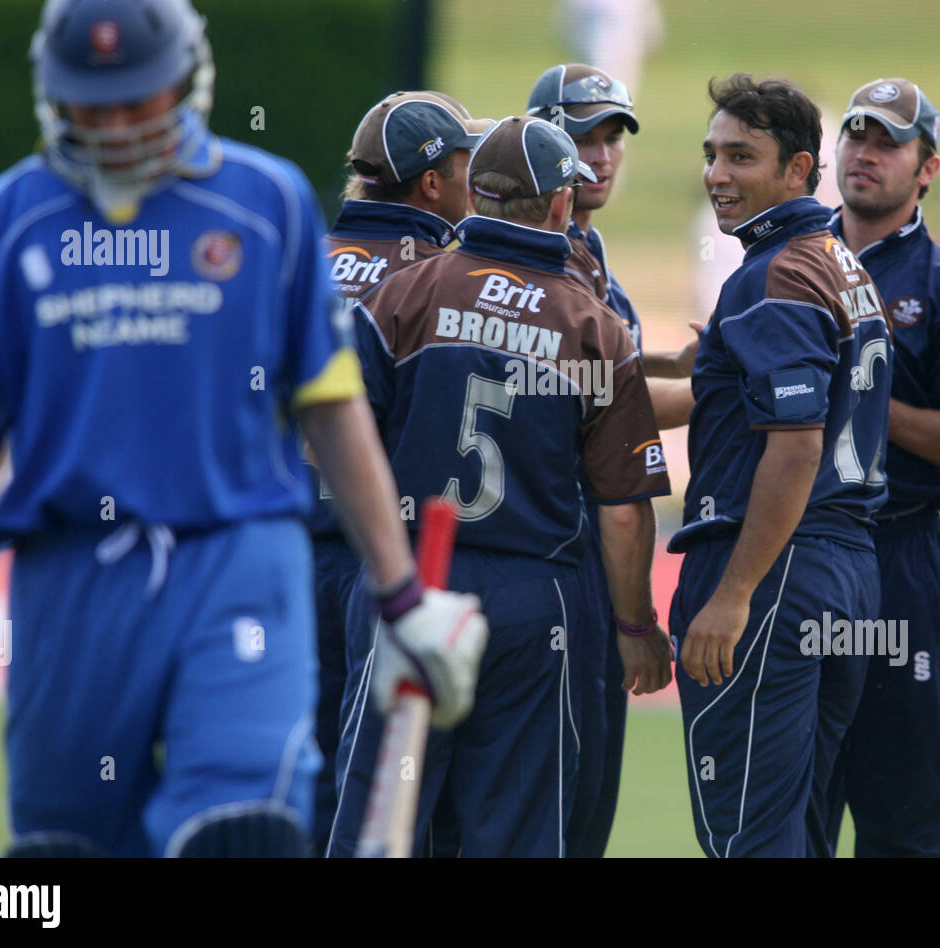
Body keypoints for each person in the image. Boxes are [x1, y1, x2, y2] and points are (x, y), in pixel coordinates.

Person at [0, 0, 486, 858]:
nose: (117, 124)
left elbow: (331, 407)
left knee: (243, 836)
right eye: (93, 103)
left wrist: (400, 595)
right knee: (56, 864)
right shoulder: (5, 220)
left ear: (187, 77)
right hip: (68, 580)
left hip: (237, 562)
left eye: (139, 98)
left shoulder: (268, 206)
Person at [327, 115, 674, 858]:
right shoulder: (595, 326)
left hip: (412, 580)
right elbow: (621, 513)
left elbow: (338, 440)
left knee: (380, 819)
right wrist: (636, 629)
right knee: (513, 830)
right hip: (531, 603)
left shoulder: (401, 295)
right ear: (559, 206)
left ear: (475, 195)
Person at [669, 74, 892, 858]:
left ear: (799, 169)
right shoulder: (840, 262)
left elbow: (794, 445)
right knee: (798, 832)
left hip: (774, 576)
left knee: (748, 838)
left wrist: (733, 593)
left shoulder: (775, 274)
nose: (717, 175)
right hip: (846, 568)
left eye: (741, 156)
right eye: (711, 155)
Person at [305, 89, 490, 856]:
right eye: (464, 164)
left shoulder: (301, 260)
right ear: (431, 184)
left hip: (278, 557)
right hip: (384, 563)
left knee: (291, 778)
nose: (476, 179)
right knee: (384, 794)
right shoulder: (441, 277)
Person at [524, 62, 695, 857]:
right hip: (558, 554)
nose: (601, 155)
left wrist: (681, 363)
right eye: (581, 135)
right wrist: (739, 393)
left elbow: (614, 366)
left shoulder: (583, 247)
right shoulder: (550, 255)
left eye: (612, 137)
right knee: (559, 806)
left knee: (578, 801)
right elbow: (604, 405)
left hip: (561, 554)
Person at [823, 78, 940, 857]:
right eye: (855, 134)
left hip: (903, 557)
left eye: (888, 141)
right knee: (789, 819)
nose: (865, 151)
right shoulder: (781, 263)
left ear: (926, 168)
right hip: (796, 556)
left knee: (913, 823)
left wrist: (858, 398)